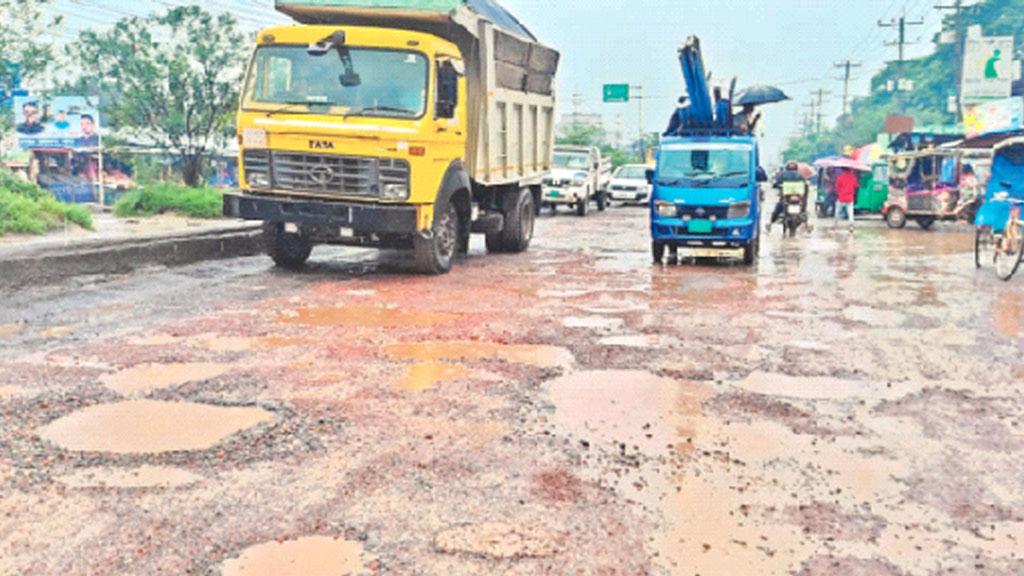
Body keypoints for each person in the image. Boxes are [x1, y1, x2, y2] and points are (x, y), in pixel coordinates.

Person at [767, 161, 809, 229]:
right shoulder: (799, 174)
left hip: (787, 197)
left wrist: (776, 185)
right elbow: (805, 184)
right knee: (803, 210)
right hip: (796, 198)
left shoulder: (783, 174)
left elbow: (776, 183)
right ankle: (806, 224)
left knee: (778, 208)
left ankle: (770, 223)